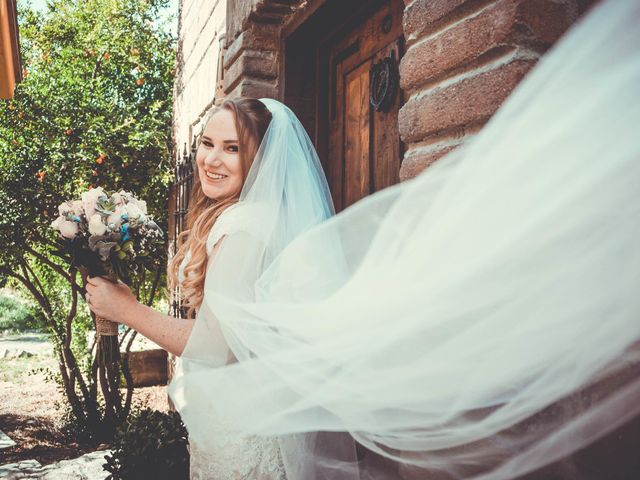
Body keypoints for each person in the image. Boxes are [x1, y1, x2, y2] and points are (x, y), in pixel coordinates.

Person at [86, 0, 640, 478]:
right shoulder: (254, 218)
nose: (209, 159)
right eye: (207, 143)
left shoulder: (243, 225)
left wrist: (126, 309)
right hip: (247, 416)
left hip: (243, 430)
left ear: (257, 159)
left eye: (232, 149)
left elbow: (214, 347)